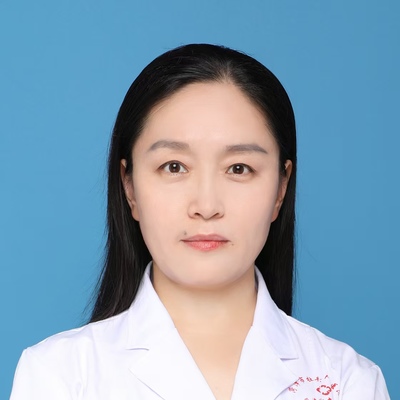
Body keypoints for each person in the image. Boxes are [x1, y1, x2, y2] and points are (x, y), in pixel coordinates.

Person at [10, 43, 389, 400]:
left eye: (239, 168)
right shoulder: (60, 375)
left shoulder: (348, 380)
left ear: (280, 188)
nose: (206, 206)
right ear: (129, 187)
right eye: (174, 166)